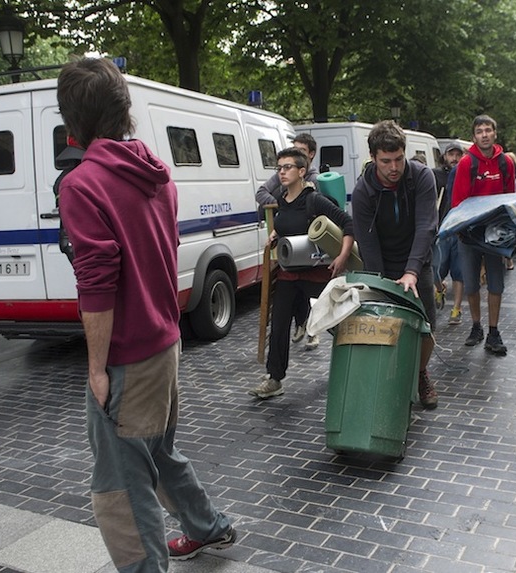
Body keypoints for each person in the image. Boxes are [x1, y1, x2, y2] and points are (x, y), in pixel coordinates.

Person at [56, 58, 236, 570]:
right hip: (164, 343)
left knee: (121, 488)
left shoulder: (82, 184)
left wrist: (96, 367)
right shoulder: (156, 173)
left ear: (73, 123)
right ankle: (207, 527)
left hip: (128, 358)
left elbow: (97, 284)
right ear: (124, 111)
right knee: (156, 454)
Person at [250, 147, 354, 399]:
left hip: (317, 274)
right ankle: (274, 379)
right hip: (289, 275)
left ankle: (354, 366)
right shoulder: (281, 199)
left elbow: (349, 224)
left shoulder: (314, 199)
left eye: (287, 167)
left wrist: (342, 256)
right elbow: (285, 225)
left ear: (302, 171)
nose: (282, 172)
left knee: (337, 322)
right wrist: (276, 234)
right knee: (280, 325)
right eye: (279, 168)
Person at [352, 121, 440, 409]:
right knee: (385, 321)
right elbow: (367, 242)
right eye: (386, 161)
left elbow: (427, 226)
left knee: (425, 325)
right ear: (373, 158)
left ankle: (421, 373)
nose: (394, 167)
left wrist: (412, 270)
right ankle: (389, 375)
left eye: (399, 159)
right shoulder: (364, 190)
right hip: (383, 260)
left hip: (418, 258)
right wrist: (380, 283)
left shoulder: (422, 177)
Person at [451, 115, 516, 355]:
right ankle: (476, 325)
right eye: (480, 131)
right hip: (470, 233)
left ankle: (493, 330)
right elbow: (457, 201)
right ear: (474, 137)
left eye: (488, 130)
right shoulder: (467, 164)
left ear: (495, 134)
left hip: (496, 233)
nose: (485, 135)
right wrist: (460, 229)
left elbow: (511, 197)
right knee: (470, 283)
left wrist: (511, 229)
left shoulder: (505, 163)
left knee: (496, 284)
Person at [256, 133, 322, 349]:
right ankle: (275, 373)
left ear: (310, 156)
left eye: (301, 151)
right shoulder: (284, 175)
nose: (283, 171)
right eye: (280, 168)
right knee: (285, 305)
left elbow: (339, 219)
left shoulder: (314, 181)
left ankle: (313, 329)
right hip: (287, 253)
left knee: (311, 295)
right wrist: (284, 203)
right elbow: (261, 192)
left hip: (310, 253)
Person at [433, 143, 466, 325]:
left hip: (459, 230)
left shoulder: (466, 174)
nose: (454, 158)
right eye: (451, 154)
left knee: (458, 271)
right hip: (441, 229)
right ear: (444, 156)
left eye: (457, 154)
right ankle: (439, 290)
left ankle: (457, 309)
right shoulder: (436, 175)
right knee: (436, 268)